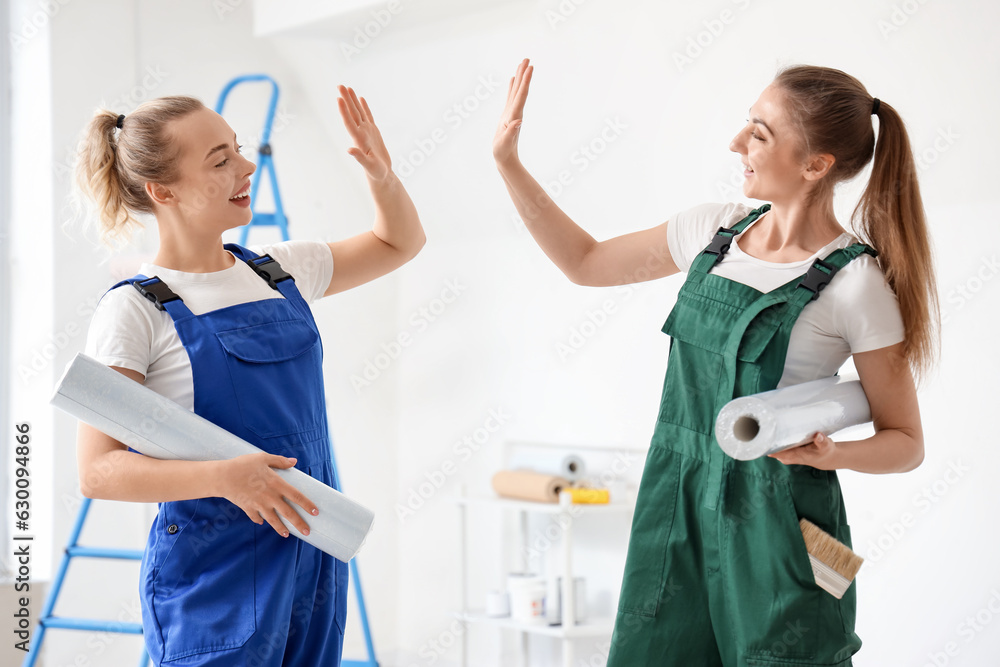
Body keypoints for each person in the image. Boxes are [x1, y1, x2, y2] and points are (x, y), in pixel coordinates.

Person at [493, 58, 937, 665]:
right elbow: (585, 262)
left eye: (759, 132)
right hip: (676, 500)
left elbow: (906, 442)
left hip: (790, 524)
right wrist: (510, 166)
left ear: (815, 165)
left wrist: (835, 454)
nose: (737, 143)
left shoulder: (856, 284)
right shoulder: (713, 230)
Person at [74, 85, 424, 665]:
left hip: (312, 554)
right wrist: (226, 477)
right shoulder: (134, 311)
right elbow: (98, 472)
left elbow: (399, 242)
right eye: (220, 160)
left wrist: (381, 174)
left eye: (237, 148)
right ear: (163, 191)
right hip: (216, 573)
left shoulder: (281, 270)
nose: (246, 165)